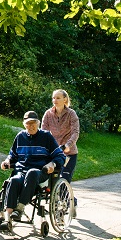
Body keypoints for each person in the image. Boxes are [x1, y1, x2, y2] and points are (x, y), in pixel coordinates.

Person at [0, 110, 66, 234]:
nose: (31, 126)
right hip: (21, 171)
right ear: (24, 124)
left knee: (32, 173)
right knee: (13, 180)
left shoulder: (46, 136)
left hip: (40, 172)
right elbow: (12, 155)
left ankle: (19, 208)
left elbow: (60, 156)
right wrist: (6, 161)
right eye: (28, 123)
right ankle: (7, 219)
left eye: (33, 123)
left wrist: (52, 164)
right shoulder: (20, 136)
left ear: (38, 123)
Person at [42, 88, 80, 217]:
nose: (55, 100)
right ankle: (71, 201)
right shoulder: (48, 114)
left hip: (69, 153)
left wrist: (68, 145)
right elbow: (44, 133)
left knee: (64, 179)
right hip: (54, 153)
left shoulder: (71, 114)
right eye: (53, 98)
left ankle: (63, 210)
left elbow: (75, 132)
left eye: (58, 98)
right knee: (52, 180)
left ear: (65, 99)